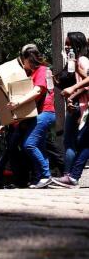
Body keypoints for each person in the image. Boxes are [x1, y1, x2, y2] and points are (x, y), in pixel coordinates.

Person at [7, 44, 56, 188]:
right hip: (39, 114)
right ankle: (41, 177)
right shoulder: (33, 73)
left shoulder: (42, 70)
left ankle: (46, 176)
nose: (23, 64)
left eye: (23, 61)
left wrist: (17, 103)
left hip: (45, 112)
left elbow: (37, 91)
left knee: (29, 145)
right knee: (39, 147)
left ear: (29, 59)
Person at [61, 32, 89, 177]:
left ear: (77, 45)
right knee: (75, 141)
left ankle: (69, 175)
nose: (66, 47)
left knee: (73, 141)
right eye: (65, 44)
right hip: (77, 104)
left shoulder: (82, 60)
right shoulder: (74, 62)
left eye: (69, 44)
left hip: (81, 104)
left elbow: (87, 83)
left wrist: (72, 94)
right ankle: (70, 175)